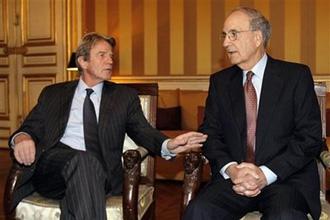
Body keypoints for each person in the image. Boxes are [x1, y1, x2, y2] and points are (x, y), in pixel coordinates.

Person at [9, 32, 207, 220]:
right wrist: (22, 137)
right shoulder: (54, 93)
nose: (110, 61)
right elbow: (29, 127)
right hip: (53, 169)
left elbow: (143, 131)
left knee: (82, 183)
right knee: (82, 162)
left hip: (99, 174)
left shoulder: (123, 97)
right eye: (102, 55)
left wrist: (168, 145)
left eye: (111, 56)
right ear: (82, 61)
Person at [183, 6, 322, 220]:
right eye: (224, 35)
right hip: (234, 181)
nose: (225, 43)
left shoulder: (295, 76)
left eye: (233, 34)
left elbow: (309, 138)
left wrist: (265, 175)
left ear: (257, 38)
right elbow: (210, 135)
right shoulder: (220, 82)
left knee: (285, 216)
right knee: (198, 211)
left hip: (284, 180)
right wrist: (231, 170)